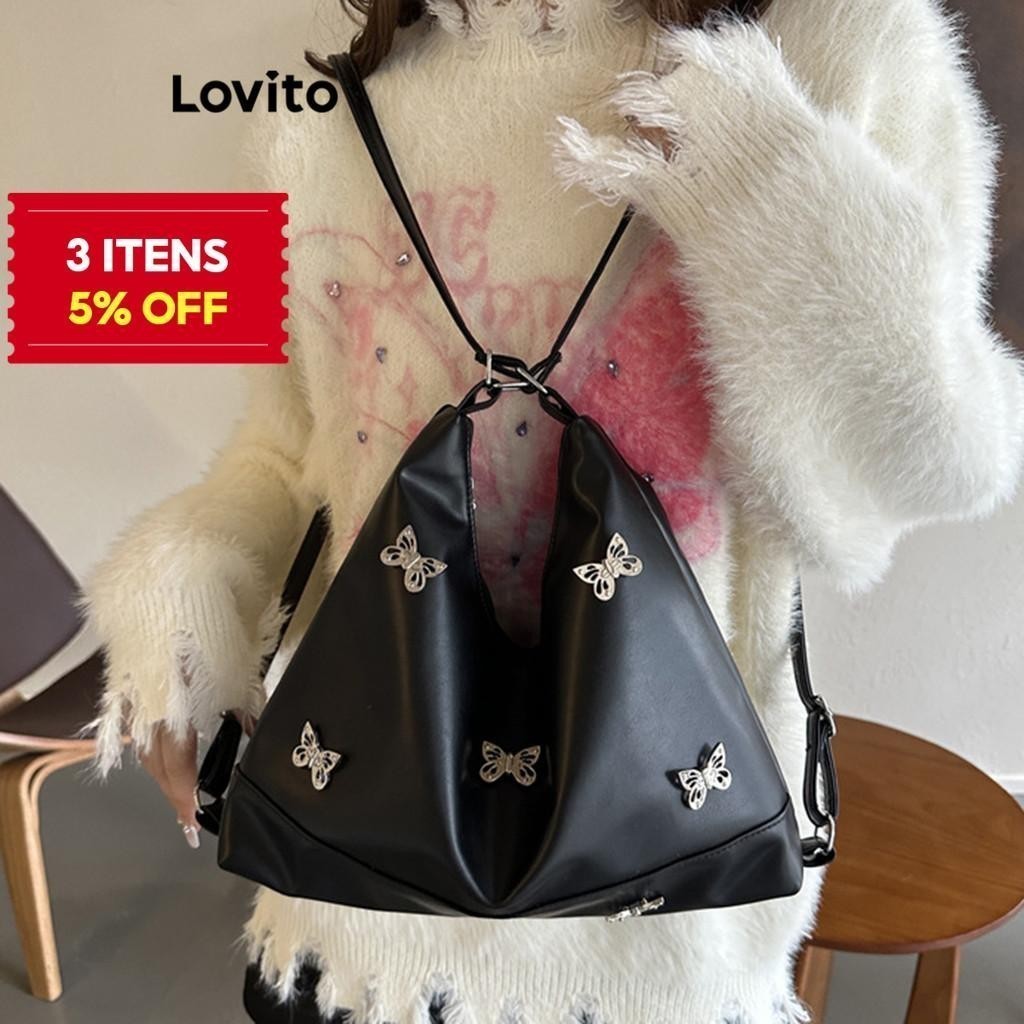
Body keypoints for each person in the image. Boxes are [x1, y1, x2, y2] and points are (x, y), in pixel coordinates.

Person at [81, 0, 1024, 1021]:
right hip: (359, 894)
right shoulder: (323, 97)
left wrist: (769, 174)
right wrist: (180, 588)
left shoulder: (832, 41)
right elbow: (291, 455)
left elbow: (940, 463)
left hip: (660, 918)